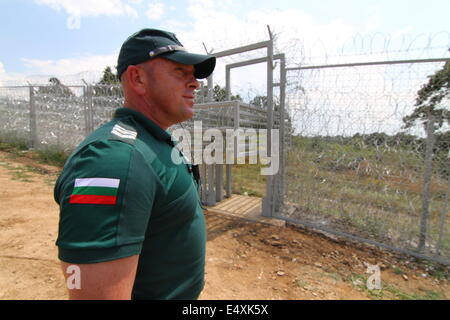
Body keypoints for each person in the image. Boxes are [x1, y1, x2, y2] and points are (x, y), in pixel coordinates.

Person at [54, 28, 216, 300]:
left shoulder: (151, 141)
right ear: (137, 78)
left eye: (194, 75)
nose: (195, 83)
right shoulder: (113, 159)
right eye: (180, 72)